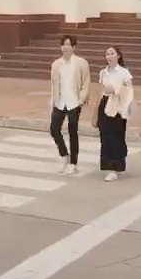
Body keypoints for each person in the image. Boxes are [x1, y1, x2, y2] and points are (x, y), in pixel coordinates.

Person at [47, 36, 90, 176]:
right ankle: (65, 155)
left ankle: (73, 163)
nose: (65, 48)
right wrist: (53, 99)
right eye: (63, 45)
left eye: (68, 45)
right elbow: (54, 83)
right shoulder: (56, 64)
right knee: (54, 129)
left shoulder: (81, 63)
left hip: (74, 102)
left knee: (73, 131)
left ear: (74, 47)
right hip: (60, 102)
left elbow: (86, 82)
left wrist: (81, 99)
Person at [96, 46, 135, 182]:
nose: (109, 56)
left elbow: (129, 90)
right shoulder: (103, 73)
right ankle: (109, 166)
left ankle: (118, 164)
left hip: (119, 104)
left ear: (118, 56)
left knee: (117, 135)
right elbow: (100, 91)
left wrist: (116, 90)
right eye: (107, 54)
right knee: (105, 136)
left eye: (112, 54)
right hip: (105, 104)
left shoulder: (124, 72)